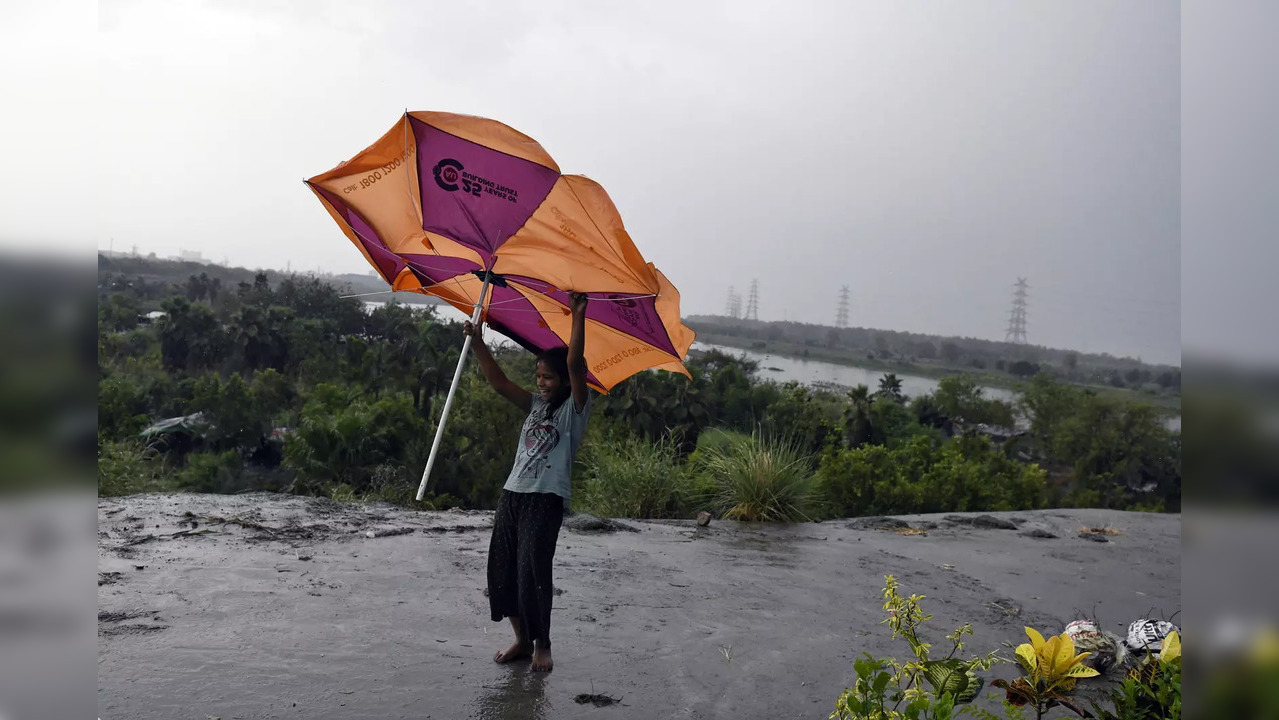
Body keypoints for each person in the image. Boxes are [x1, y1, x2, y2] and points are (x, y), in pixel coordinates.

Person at [463, 291, 591, 673]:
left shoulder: (575, 409)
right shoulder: (535, 405)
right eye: (538, 376)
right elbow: (500, 383)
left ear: (565, 381)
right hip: (513, 494)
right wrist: (478, 342)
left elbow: (575, 363)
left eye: (548, 377)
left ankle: (543, 644)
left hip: (545, 498)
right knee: (502, 569)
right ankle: (521, 638)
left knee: (534, 572)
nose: (541, 383)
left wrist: (577, 317)